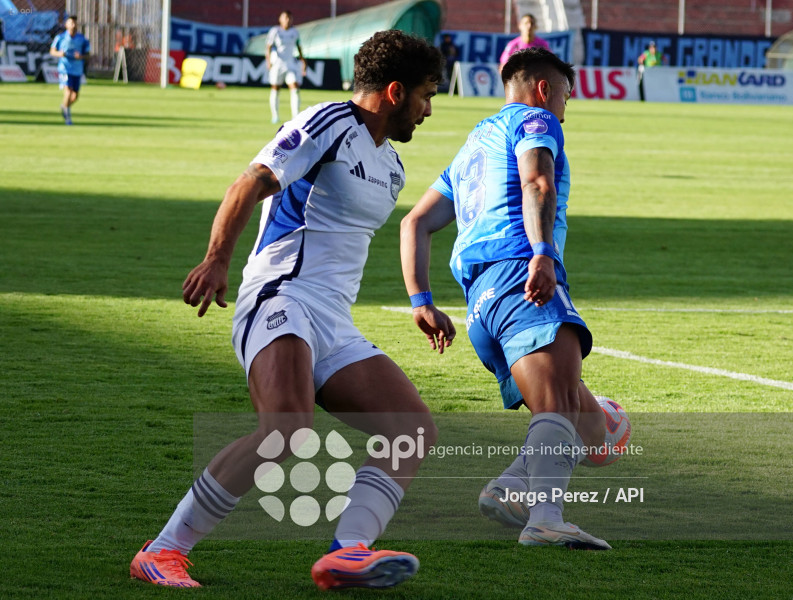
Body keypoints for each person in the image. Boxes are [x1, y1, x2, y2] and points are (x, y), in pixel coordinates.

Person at [130, 30, 445, 590]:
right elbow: (251, 181)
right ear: (395, 91)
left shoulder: (391, 166)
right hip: (281, 297)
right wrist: (217, 259)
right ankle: (161, 551)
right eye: (426, 95)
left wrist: (419, 301)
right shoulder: (327, 124)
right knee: (286, 428)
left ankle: (347, 551)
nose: (427, 111)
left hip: (333, 320)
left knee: (412, 428)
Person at [400, 47, 612, 550]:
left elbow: (415, 223)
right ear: (544, 89)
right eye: (564, 95)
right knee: (558, 407)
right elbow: (536, 180)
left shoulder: (474, 144)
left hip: (481, 304)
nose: (564, 107)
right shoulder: (537, 120)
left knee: (586, 422)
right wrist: (541, 253)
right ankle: (545, 519)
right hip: (523, 275)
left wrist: (420, 300)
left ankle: (511, 487)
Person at [265, 10, 307, 124]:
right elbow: (268, 47)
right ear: (280, 19)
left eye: (290, 18)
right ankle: (275, 116)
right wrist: (268, 61)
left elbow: (299, 47)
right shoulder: (275, 31)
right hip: (278, 64)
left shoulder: (295, 32)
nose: (288, 20)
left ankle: (296, 116)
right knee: (275, 89)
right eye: (285, 18)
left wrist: (303, 61)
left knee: (295, 88)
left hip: (290, 64)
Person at [49, 15, 90, 126]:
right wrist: (59, 54)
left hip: (77, 69)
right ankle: (67, 116)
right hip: (65, 68)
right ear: (66, 24)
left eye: (75, 23)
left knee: (75, 96)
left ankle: (64, 106)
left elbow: (88, 54)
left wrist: (80, 56)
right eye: (71, 23)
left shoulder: (82, 39)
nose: (73, 25)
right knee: (68, 91)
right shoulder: (60, 37)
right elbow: (52, 51)